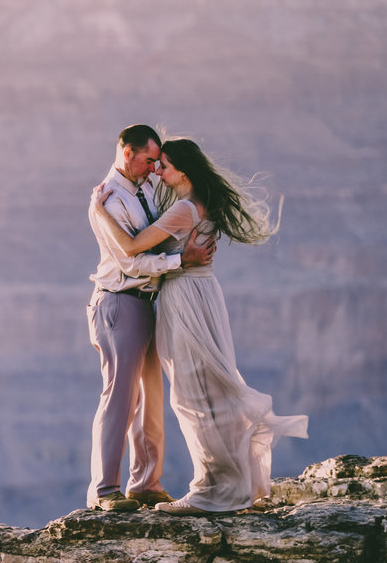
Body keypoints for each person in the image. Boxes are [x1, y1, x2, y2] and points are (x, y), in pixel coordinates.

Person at [92, 136, 308, 514]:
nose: (158, 171)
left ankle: (211, 489)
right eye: (154, 162)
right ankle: (229, 483)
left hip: (184, 299)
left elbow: (130, 248)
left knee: (192, 396)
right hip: (201, 294)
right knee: (208, 390)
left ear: (184, 172)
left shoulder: (183, 210)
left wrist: (101, 212)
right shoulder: (196, 205)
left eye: (165, 165)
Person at [86, 125, 215, 512]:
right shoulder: (109, 199)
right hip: (120, 302)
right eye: (148, 160)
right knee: (120, 397)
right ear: (128, 153)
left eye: (158, 162)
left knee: (150, 400)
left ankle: (144, 483)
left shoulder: (140, 190)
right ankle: (105, 490)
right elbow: (129, 259)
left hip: (146, 302)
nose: (153, 168)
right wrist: (181, 261)